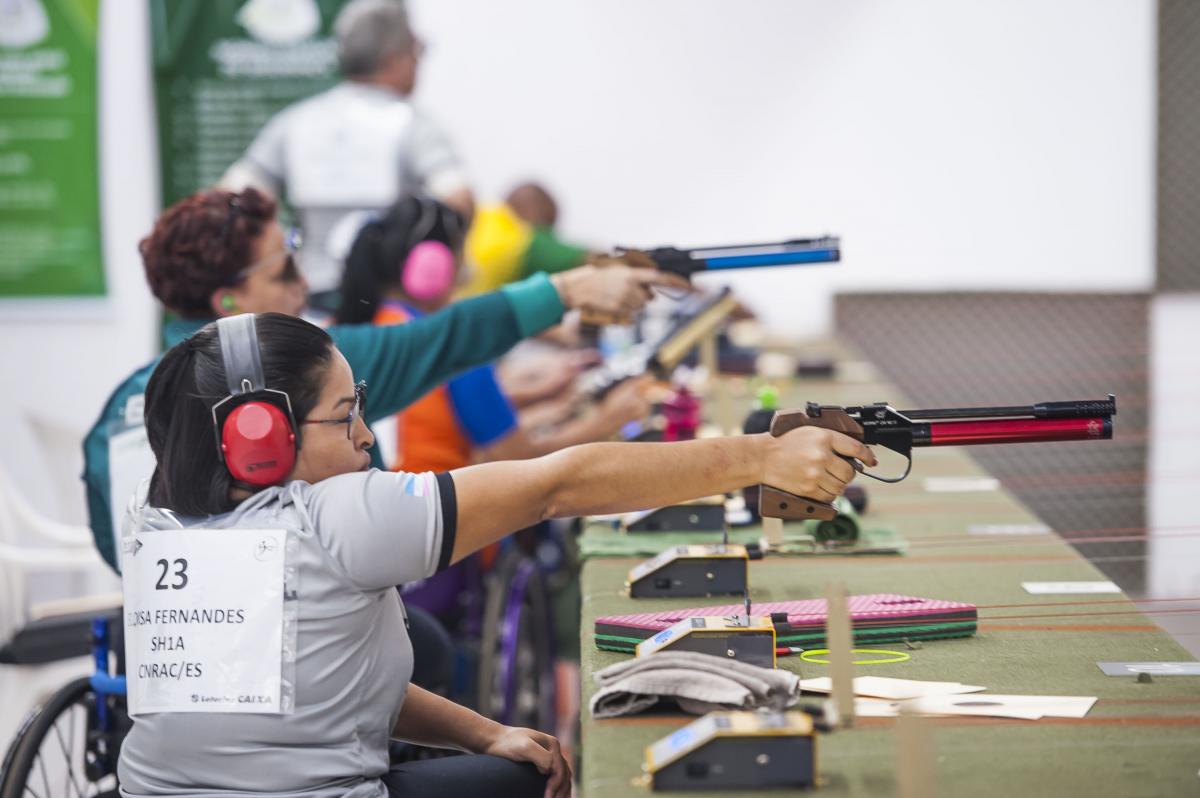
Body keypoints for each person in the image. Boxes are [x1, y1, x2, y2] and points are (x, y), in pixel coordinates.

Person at [118, 311, 873, 797]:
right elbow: (559, 485)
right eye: (347, 415)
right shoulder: (336, 517)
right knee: (523, 783)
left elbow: (328, 687)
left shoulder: (157, 528)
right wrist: (761, 458)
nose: (367, 438)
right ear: (263, 437)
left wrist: (485, 731)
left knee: (455, 687)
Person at [83, 187, 680, 573]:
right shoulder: (303, 369)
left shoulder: (119, 408)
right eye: (285, 259)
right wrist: (571, 289)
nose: (302, 275)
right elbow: (448, 338)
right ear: (230, 299)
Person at [337, 195, 650, 473]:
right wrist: (608, 420)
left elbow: (448, 420)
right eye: (462, 255)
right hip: (450, 530)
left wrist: (543, 398)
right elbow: (516, 458)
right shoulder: (451, 346)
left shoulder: (380, 331)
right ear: (434, 268)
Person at [221, 0, 471, 312]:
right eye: (416, 53)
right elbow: (459, 198)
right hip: (389, 311)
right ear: (394, 60)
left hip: (309, 305)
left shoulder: (297, 121)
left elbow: (229, 196)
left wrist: (275, 258)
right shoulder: (412, 124)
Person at [463, 182, 591, 296]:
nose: (546, 236)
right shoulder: (518, 238)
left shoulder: (482, 213)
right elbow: (588, 259)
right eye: (546, 228)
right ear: (533, 211)